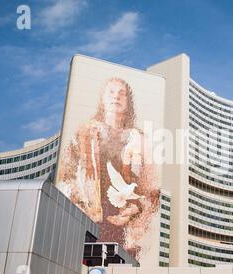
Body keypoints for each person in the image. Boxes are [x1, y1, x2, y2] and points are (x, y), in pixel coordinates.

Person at [57, 77, 160, 259]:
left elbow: (151, 188)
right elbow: (66, 177)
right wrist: (83, 208)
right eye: (111, 92)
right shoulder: (85, 132)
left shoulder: (140, 139)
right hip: (87, 221)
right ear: (102, 98)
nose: (116, 97)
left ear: (128, 102)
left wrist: (134, 209)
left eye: (122, 93)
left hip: (123, 227)